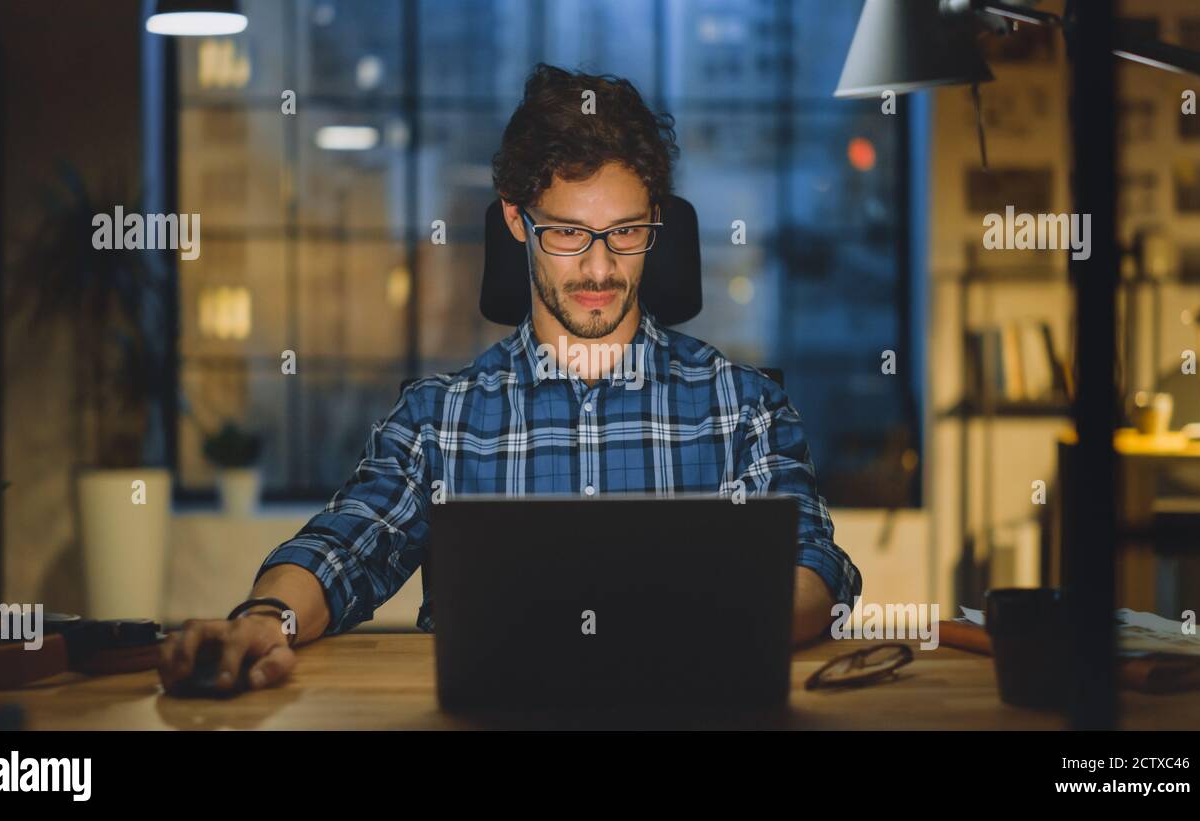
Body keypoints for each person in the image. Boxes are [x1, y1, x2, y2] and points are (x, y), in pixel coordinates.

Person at [158, 63, 862, 695]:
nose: (598, 268)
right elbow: (346, 545)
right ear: (516, 219)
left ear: (656, 221)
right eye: (567, 233)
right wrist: (267, 617)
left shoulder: (742, 406)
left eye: (625, 232)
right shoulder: (441, 418)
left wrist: (705, 629)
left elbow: (815, 565)